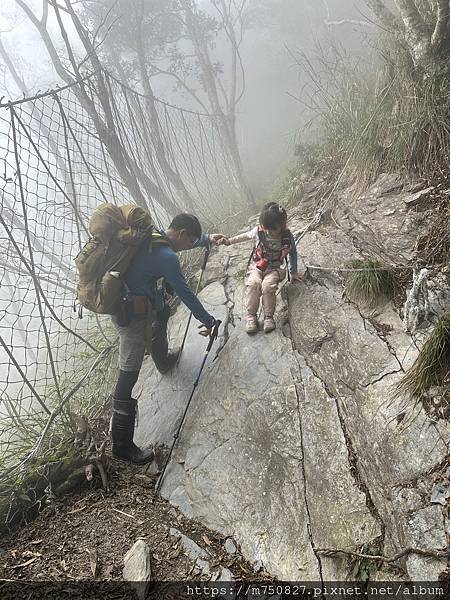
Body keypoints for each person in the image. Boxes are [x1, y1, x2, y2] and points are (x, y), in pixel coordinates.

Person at [110, 213, 224, 465]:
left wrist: (205, 240)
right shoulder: (168, 257)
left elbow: (177, 246)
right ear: (182, 233)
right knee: (128, 373)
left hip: (143, 305)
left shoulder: (156, 237)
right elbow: (184, 292)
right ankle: (121, 445)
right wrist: (208, 320)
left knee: (162, 312)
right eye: (190, 240)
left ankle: (162, 360)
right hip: (131, 317)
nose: (189, 245)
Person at [219, 202, 304, 334]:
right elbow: (245, 236)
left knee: (267, 286)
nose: (269, 232)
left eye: (273, 229)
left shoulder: (286, 237)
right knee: (253, 284)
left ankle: (268, 317)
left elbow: (292, 253)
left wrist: (293, 273)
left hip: (275, 268)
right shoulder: (259, 232)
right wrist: (228, 241)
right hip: (257, 267)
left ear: (282, 225)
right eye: (266, 228)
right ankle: (251, 316)